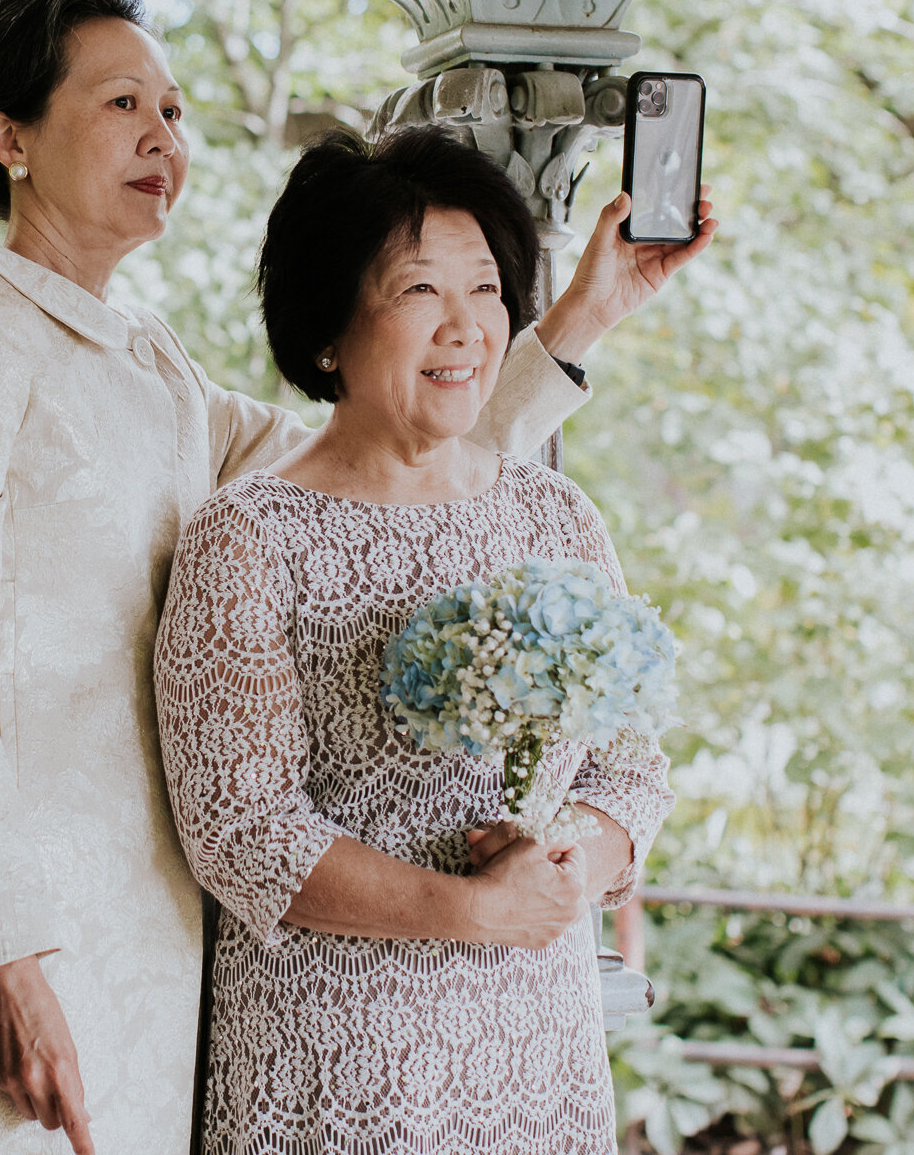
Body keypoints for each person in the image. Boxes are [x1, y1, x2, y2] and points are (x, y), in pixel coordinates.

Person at [0, 0, 714, 1155]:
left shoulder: (153, 363)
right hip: (5, 931)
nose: (163, 136)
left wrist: (579, 319)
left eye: (175, 108)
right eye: (120, 104)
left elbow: (384, 463)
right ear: (10, 140)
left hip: (150, 935)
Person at [155, 126, 679, 1154]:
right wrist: (476, 911)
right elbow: (242, 831)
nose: (465, 328)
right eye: (418, 292)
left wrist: (573, 853)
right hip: (340, 1058)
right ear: (327, 327)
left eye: (486, 289)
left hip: (539, 1050)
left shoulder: (556, 518)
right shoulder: (247, 535)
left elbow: (633, 766)